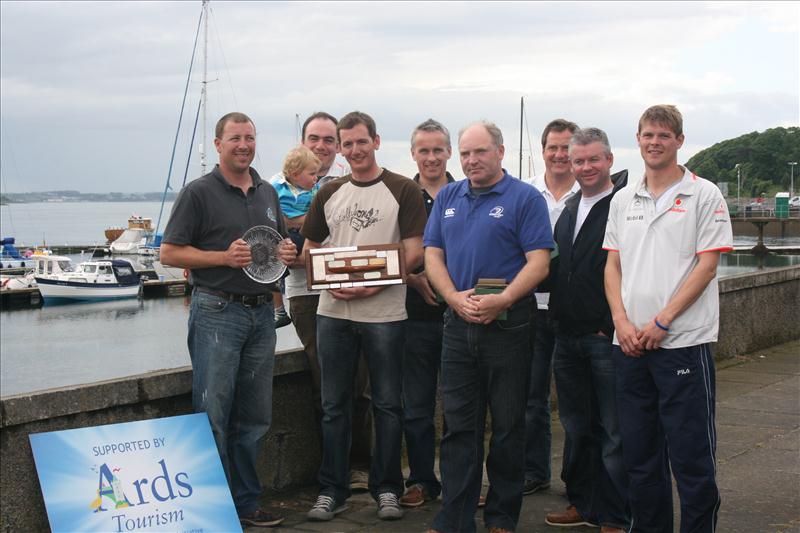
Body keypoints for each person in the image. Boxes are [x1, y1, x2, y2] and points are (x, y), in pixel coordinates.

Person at [160, 112, 297, 528]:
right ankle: (212, 510)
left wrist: (287, 255)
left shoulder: (268, 193)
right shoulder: (197, 193)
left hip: (261, 315)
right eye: (235, 138)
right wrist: (222, 257)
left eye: (250, 138)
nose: (243, 145)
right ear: (218, 143)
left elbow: (277, 248)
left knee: (255, 417)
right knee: (213, 414)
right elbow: (169, 254)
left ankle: (246, 504)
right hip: (216, 310)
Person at [603, 105, 732, 532]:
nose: (654, 142)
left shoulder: (704, 194)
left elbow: (706, 266)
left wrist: (663, 321)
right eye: (647, 134)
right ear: (637, 140)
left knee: (691, 460)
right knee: (640, 460)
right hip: (630, 346)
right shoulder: (623, 198)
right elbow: (612, 266)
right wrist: (621, 320)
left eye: (663, 135)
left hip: (682, 344)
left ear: (679, 140)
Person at [425, 121, 553, 533]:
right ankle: (454, 520)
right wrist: (452, 297)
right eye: (464, 154)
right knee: (459, 428)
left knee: (509, 427)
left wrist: (505, 298)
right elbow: (433, 256)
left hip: (509, 326)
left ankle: (501, 518)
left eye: (479, 152)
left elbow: (539, 262)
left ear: (500, 152)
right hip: (457, 325)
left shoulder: (525, 198)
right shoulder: (447, 195)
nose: (471, 161)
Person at [301, 111, 426, 522]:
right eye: (347, 143)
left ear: (376, 140)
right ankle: (331, 489)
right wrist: (326, 280)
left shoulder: (402, 189)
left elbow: (414, 251)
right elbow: (310, 250)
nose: (354, 150)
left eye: (361, 142)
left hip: (386, 313)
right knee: (334, 405)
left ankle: (388, 488)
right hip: (333, 312)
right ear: (339, 147)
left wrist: (376, 283)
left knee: (388, 405)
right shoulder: (328, 192)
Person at [543, 128, 629, 532]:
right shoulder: (572, 204)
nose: (586, 167)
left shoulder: (624, 204)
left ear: (609, 160)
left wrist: (609, 324)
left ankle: (616, 513)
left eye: (594, 159)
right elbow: (558, 266)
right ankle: (583, 502)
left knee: (614, 430)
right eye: (579, 161)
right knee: (577, 429)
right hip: (566, 335)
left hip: (603, 336)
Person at [285, 112, 373, 493]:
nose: (320, 146)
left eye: (328, 140)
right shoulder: (278, 187)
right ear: (302, 141)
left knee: (362, 385)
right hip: (308, 296)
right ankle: (332, 470)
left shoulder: (346, 184)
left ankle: (360, 466)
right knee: (327, 386)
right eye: (313, 138)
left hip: (357, 294)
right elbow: (286, 246)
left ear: (337, 145)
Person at [522, 119, 580, 496]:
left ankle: (578, 484)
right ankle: (533, 471)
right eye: (552, 148)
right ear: (542, 151)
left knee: (577, 403)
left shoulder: (591, 193)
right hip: (531, 308)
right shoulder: (525, 195)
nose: (559, 155)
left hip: (575, 312)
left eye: (566, 148)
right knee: (530, 397)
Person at [399, 118, 454, 509]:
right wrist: (411, 278)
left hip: (459, 318)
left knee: (459, 409)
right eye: (424, 150)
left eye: (438, 150)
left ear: (449, 152)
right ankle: (420, 480)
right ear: (413, 154)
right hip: (413, 317)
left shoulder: (468, 192)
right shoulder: (401, 195)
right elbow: (382, 253)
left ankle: (458, 480)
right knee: (415, 407)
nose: (431, 157)